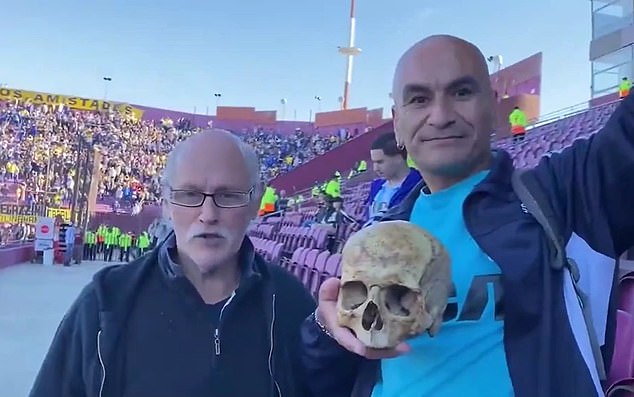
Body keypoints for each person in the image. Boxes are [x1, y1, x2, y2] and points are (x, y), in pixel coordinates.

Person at [301, 35, 634, 397]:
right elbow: (320, 378)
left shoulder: (563, 195)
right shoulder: (379, 236)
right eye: (418, 99)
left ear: (493, 106)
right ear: (397, 122)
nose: (441, 116)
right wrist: (324, 328)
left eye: (461, 92)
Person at [30, 129, 316, 397]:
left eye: (228, 196)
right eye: (190, 195)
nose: (208, 214)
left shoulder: (292, 304)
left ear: (255, 201)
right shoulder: (105, 302)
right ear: (166, 201)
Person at [364, 132, 421, 226]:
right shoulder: (376, 186)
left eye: (380, 162)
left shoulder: (419, 185)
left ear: (398, 158)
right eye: (374, 162)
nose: (375, 168)